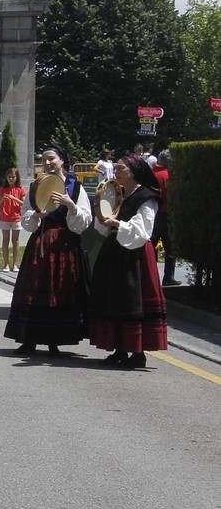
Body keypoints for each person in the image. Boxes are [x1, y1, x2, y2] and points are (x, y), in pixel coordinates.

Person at [5, 146, 91, 356]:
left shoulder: (75, 187)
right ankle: (28, 339)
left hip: (65, 244)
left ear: (62, 160)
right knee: (33, 290)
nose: (47, 163)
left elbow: (86, 220)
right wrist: (36, 216)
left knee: (60, 290)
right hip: (41, 244)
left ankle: (56, 340)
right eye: (44, 160)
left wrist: (71, 206)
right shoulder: (36, 186)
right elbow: (26, 218)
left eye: (51, 159)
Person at [88, 153, 167, 368]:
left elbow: (143, 231)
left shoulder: (147, 197)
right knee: (116, 296)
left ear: (133, 170)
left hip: (136, 253)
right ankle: (120, 348)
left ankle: (138, 352)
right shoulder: (119, 193)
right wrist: (103, 216)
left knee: (134, 299)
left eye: (120, 168)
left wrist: (117, 224)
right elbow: (104, 225)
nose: (116, 171)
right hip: (115, 251)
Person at [151, 150, 178, 286]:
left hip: (152, 213)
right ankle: (168, 277)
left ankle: (149, 277)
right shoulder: (166, 175)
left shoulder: (151, 173)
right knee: (170, 248)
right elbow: (170, 196)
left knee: (150, 246)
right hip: (165, 213)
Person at [0, 167, 26, 272]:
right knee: (5, 240)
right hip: (5, 217)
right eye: (9, 177)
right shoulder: (2, 189)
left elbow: (24, 204)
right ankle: (5, 264)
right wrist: (3, 199)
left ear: (16, 177)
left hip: (16, 217)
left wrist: (13, 198)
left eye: (13, 177)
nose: (11, 179)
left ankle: (15, 264)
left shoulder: (20, 189)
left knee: (16, 240)